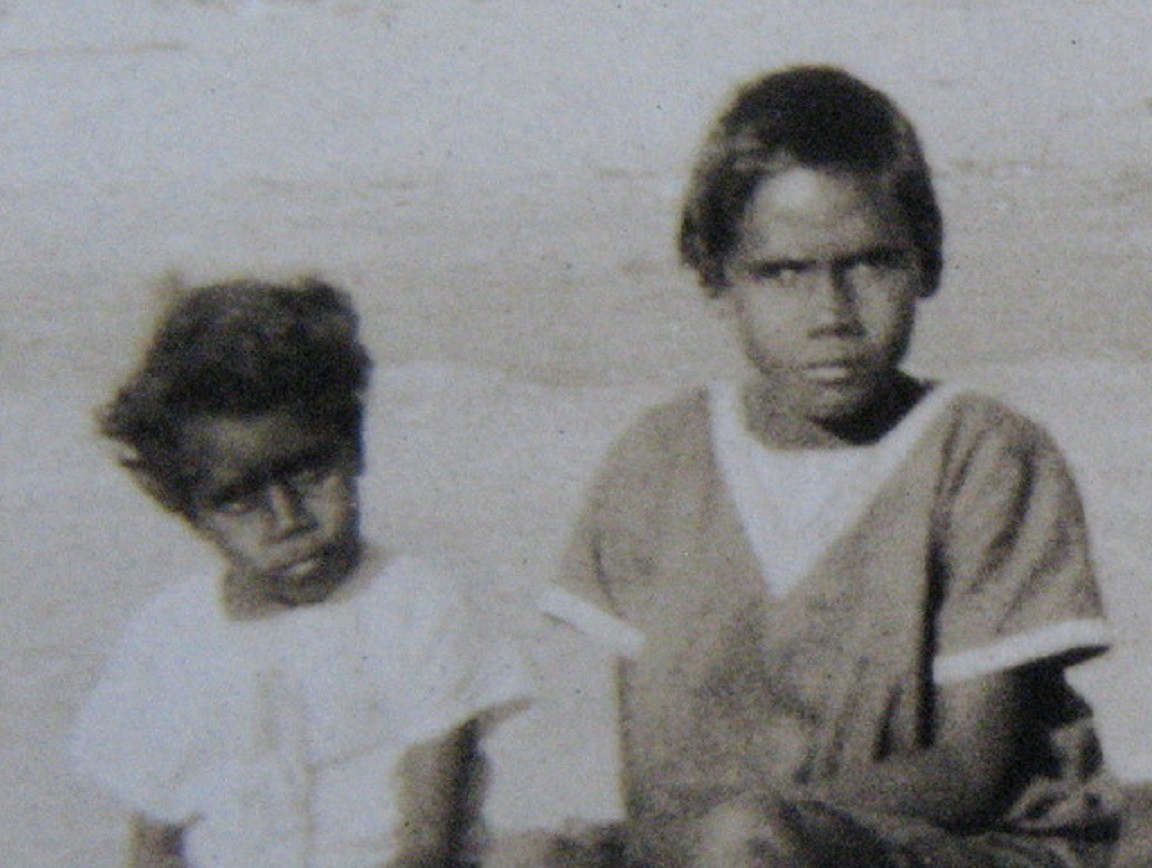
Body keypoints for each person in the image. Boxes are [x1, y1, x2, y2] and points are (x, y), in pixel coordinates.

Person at [551, 66, 1121, 866]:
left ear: (926, 264)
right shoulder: (660, 461)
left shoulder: (983, 454)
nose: (832, 314)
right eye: (783, 272)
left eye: (870, 264)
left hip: (959, 844)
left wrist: (753, 831)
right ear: (717, 282)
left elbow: (972, 769)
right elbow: (656, 777)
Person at [71, 277, 528, 868]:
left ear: (353, 445)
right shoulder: (168, 637)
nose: (288, 519)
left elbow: (427, 840)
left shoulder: (415, 605)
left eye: (310, 473)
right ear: (188, 511)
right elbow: (154, 844)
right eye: (238, 498)